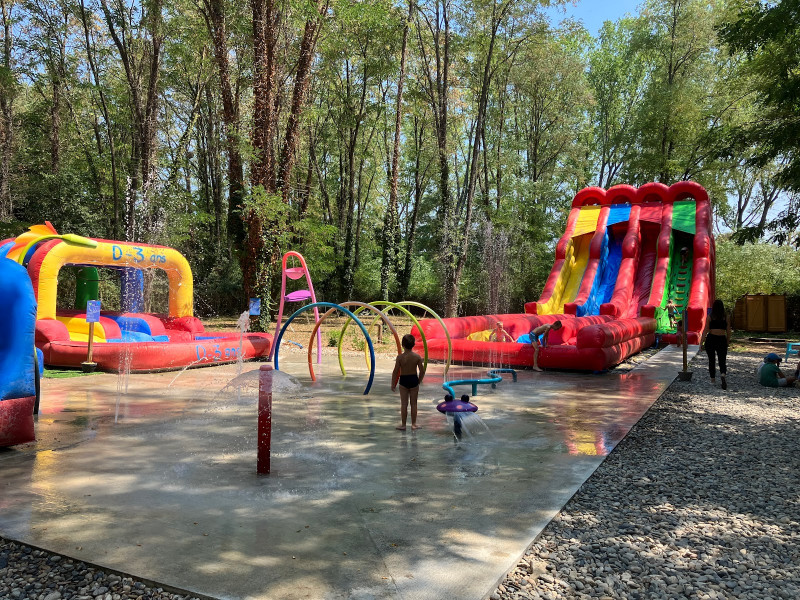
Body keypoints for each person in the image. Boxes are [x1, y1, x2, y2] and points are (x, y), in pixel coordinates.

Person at [391, 333, 426, 430]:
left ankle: (403, 425)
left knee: (404, 404)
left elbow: (395, 372)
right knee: (414, 404)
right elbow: (422, 371)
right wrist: (419, 381)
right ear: (413, 344)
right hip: (413, 379)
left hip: (404, 380)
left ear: (402, 345)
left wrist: (393, 384)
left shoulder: (400, 358)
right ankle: (414, 424)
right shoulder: (417, 357)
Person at [702, 299, 731, 389]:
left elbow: (706, 330)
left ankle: (713, 379)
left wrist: (701, 342)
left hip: (711, 338)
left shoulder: (710, 316)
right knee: (722, 359)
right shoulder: (726, 317)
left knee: (711, 360)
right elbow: (728, 330)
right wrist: (727, 341)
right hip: (721, 338)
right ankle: (723, 374)